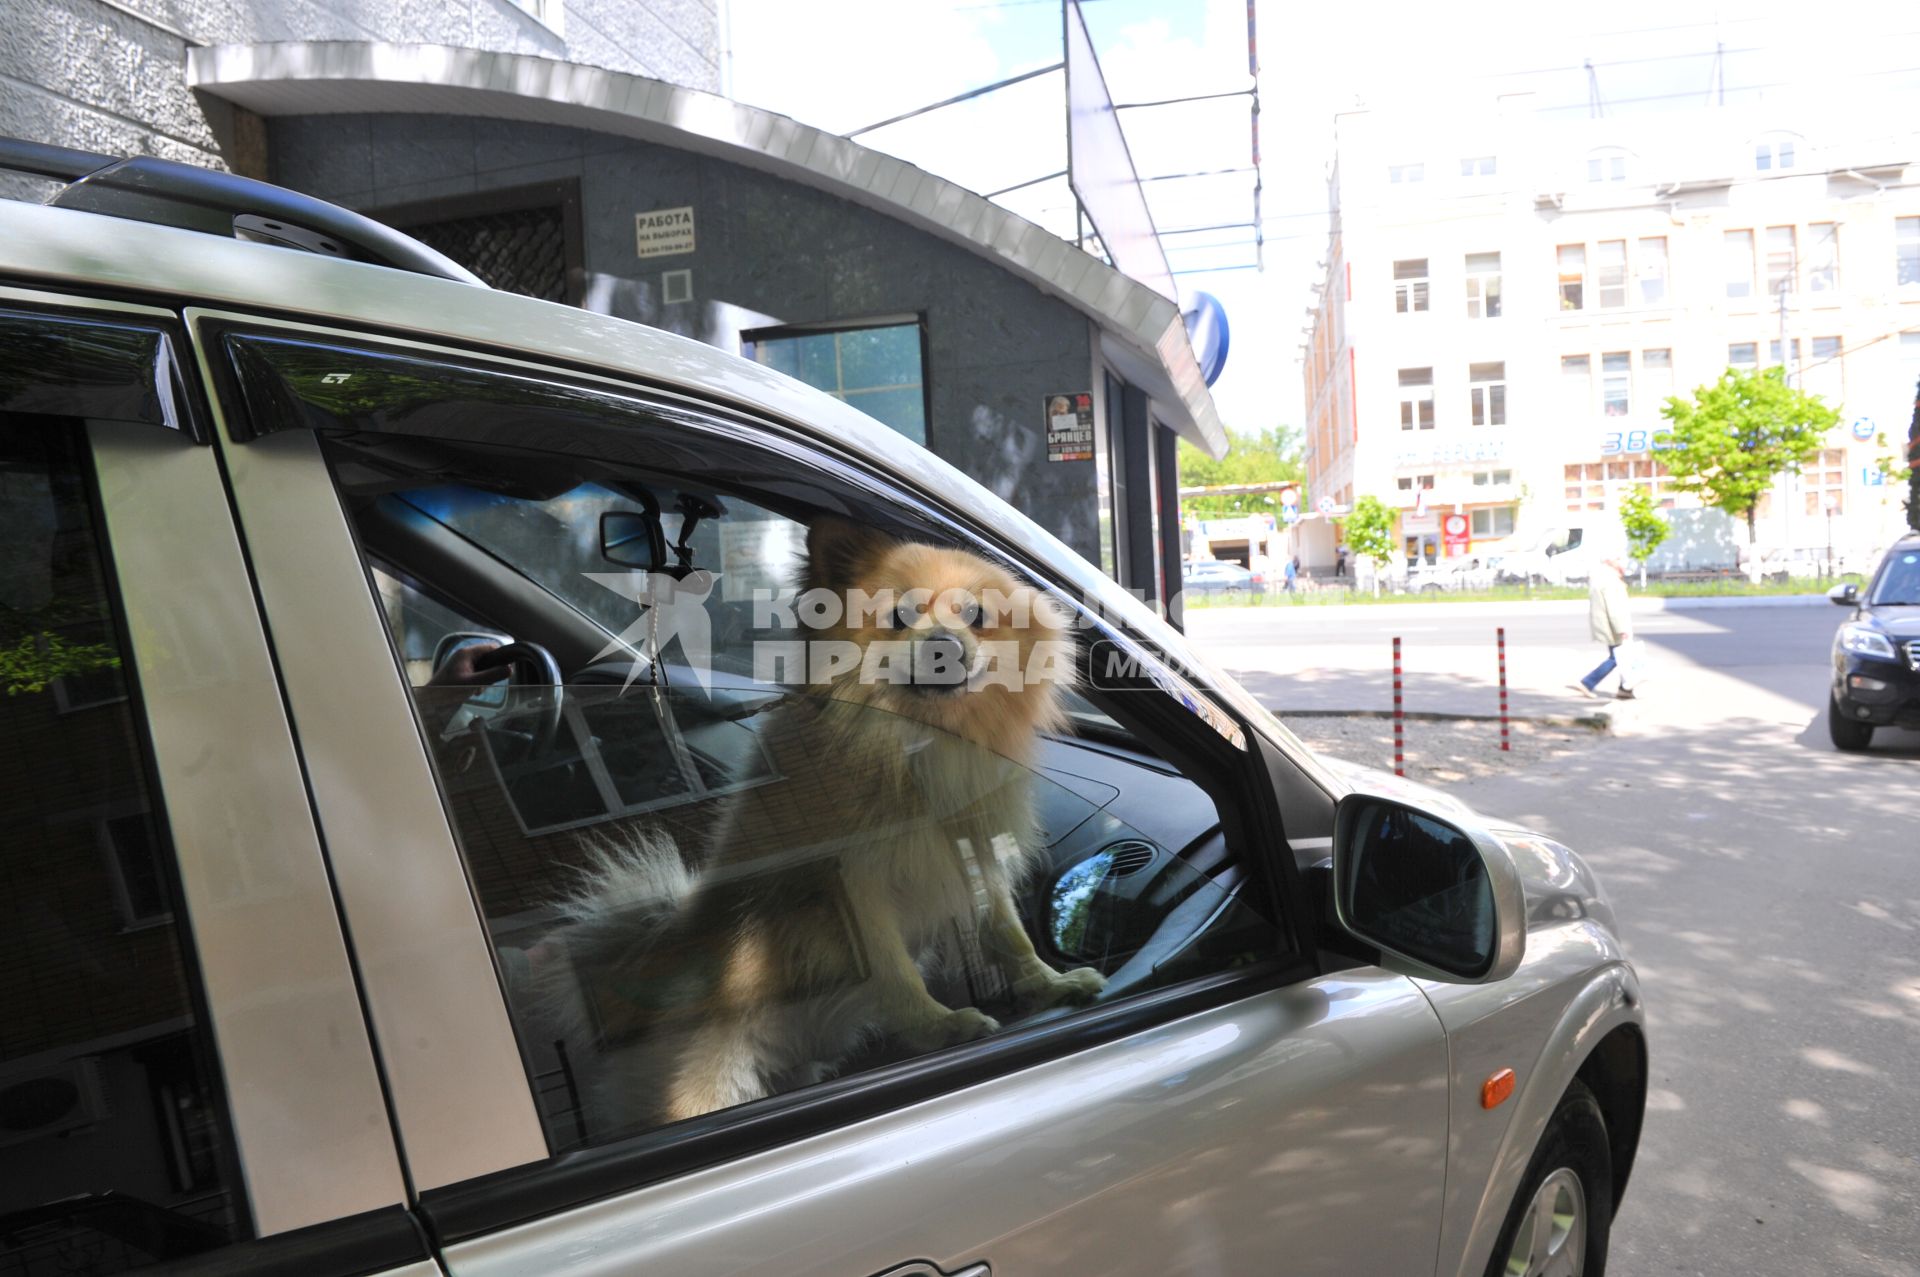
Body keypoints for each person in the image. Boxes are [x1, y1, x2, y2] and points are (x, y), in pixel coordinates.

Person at [1573, 550, 1636, 700]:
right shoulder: (1610, 580)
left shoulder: (1602, 577)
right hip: (1615, 627)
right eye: (1619, 559)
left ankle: (1625, 689)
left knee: (1622, 657)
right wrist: (1622, 629)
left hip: (1610, 626)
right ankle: (1588, 683)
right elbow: (1614, 608)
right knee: (1617, 658)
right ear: (1610, 562)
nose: (1623, 562)